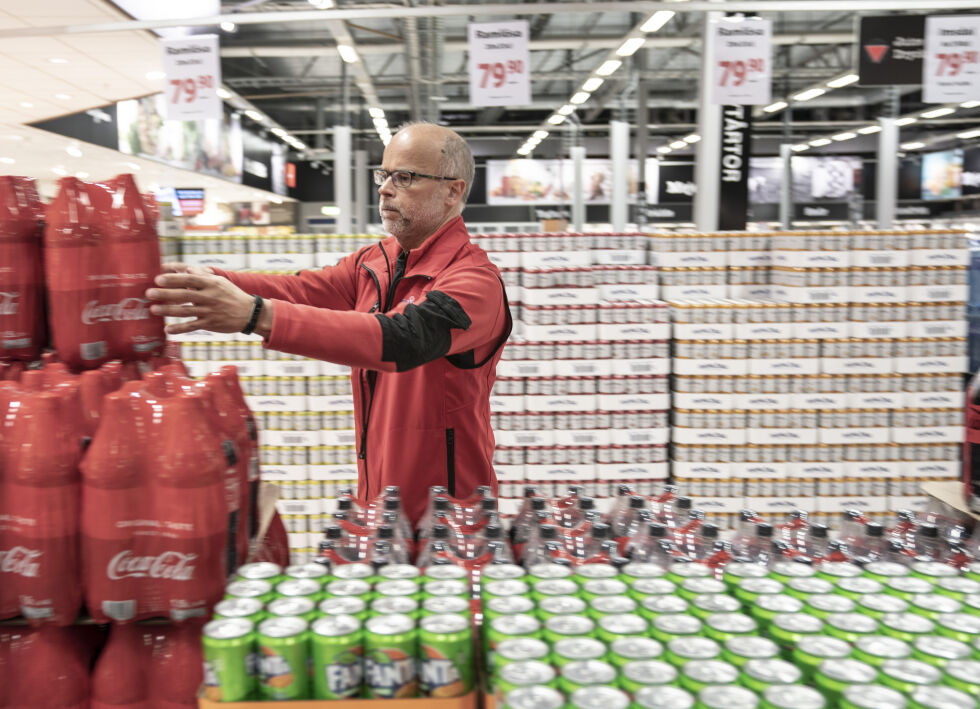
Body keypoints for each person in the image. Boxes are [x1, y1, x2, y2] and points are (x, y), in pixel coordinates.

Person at [146, 122, 512, 524]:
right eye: (383, 174)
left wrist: (256, 315)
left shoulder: (475, 281)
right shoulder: (374, 263)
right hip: (380, 501)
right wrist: (208, 279)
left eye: (404, 178)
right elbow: (300, 290)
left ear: (453, 191)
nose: (384, 189)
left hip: (450, 518)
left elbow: (403, 339)